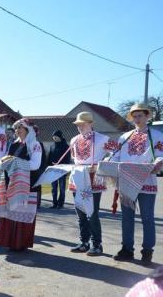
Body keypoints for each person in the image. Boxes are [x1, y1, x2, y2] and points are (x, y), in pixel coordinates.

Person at [112, 104, 163, 264]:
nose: (137, 119)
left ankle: (147, 250)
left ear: (147, 116)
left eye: (140, 115)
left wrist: (158, 163)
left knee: (147, 218)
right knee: (126, 217)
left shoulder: (157, 136)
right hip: (127, 181)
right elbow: (115, 155)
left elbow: (160, 155)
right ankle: (127, 249)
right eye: (135, 116)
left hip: (146, 180)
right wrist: (108, 163)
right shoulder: (124, 137)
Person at [69, 112, 115, 256]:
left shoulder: (103, 138)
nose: (80, 126)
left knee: (92, 213)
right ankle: (84, 242)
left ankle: (97, 244)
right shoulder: (74, 140)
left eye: (83, 124)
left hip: (93, 177)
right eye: (78, 124)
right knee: (81, 212)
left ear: (91, 123)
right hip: (77, 177)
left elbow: (116, 152)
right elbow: (73, 157)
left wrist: (102, 164)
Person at [0, 118, 42, 251]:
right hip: (12, 183)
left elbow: (36, 165)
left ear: (27, 129)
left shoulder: (35, 145)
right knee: (11, 213)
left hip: (28, 185)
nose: (17, 131)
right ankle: (10, 242)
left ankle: (21, 243)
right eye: (16, 128)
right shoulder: (13, 144)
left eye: (20, 128)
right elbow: (9, 160)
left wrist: (16, 162)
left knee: (23, 212)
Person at [48, 130, 70, 209]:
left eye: (56, 137)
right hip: (53, 170)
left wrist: (65, 168)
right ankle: (54, 203)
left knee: (62, 187)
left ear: (60, 137)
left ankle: (60, 203)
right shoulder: (52, 146)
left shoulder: (66, 146)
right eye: (53, 137)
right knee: (53, 187)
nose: (55, 138)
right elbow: (50, 157)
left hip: (62, 170)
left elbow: (67, 158)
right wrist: (49, 166)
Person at [31, 125, 46, 208]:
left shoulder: (39, 144)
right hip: (31, 170)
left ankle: (37, 202)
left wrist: (42, 169)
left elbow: (43, 158)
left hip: (38, 169)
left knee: (37, 186)